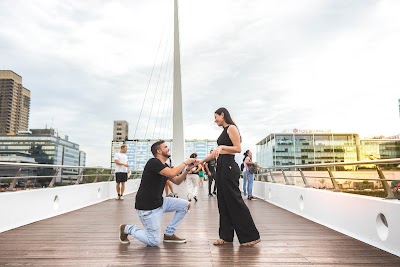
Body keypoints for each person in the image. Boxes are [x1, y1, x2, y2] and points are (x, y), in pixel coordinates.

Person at [199, 107, 260, 247]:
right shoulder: (223, 131)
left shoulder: (231, 128)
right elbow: (216, 153)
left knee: (235, 201)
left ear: (222, 114)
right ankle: (226, 237)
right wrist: (201, 161)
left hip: (229, 167)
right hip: (221, 167)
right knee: (223, 203)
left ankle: (251, 236)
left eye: (216, 117)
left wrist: (222, 147)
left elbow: (238, 148)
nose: (215, 120)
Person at [119, 140, 198, 246]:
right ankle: (127, 228)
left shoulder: (164, 165)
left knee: (185, 205)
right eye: (165, 147)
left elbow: (177, 181)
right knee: (153, 242)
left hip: (160, 202)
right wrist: (185, 162)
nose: (168, 148)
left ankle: (169, 234)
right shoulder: (153, 162)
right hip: (148, 207)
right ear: (159, 151)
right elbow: (172, 172)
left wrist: (187, 170)